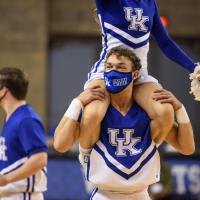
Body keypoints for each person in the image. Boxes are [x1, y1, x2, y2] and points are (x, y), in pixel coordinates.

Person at [54, 47, 195, 199]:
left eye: (120, 67)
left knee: (165, 114)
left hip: (140, 194)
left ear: (135, 74)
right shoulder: (96, 114)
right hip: (105, 194)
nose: (113, 71)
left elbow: (187, 148)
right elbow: (60, 145)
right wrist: (77, 102)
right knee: (90, 117)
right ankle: (85, 154)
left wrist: (180, 109)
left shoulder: (148, 114)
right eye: (109, 67)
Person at [79, 0, 200, 151]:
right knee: (92, 114)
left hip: (139, 75)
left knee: (164, 112)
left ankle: (144, 153)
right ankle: (85, 154)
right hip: (107, 71)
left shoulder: (150, 3)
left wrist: (194, 68)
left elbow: (165, 42)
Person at [0, 67, 48, 200]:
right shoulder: (13, 118)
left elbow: (40, 159)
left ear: (4, 90)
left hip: (23, 196)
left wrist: (6, 179)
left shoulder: (27, 119)